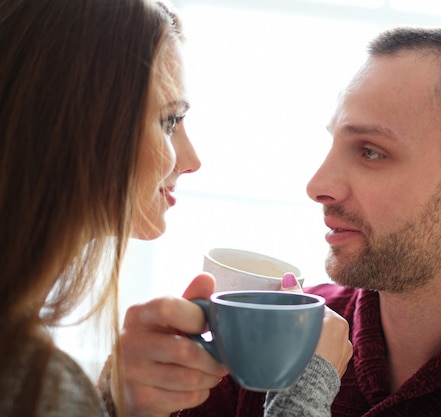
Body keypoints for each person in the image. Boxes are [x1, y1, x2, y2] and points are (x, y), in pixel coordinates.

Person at [117, 27, 441, 416]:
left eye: (371, 152)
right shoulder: (269, 342)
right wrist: (129, 402)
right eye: (335, 144)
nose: (318, 184)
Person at [0, 0, 351, 416]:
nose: (192, 160)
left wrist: (118, 405)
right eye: (170, 121)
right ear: (77, 124)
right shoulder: (31, 377)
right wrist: (304, 396)